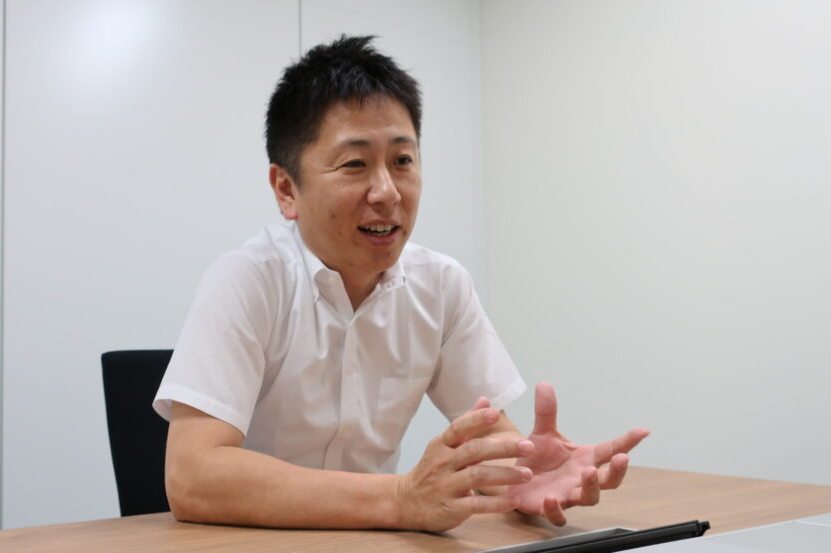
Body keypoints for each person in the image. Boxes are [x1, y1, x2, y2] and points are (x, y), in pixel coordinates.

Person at [152, 35, 648, 532]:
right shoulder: (247, 280)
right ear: (287, 189)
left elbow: (490, 439)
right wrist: (399, 499)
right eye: (355, 164)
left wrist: (522, 478)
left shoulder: (441, 286)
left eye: (402, 161)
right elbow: (193, 477)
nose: (387, 192)